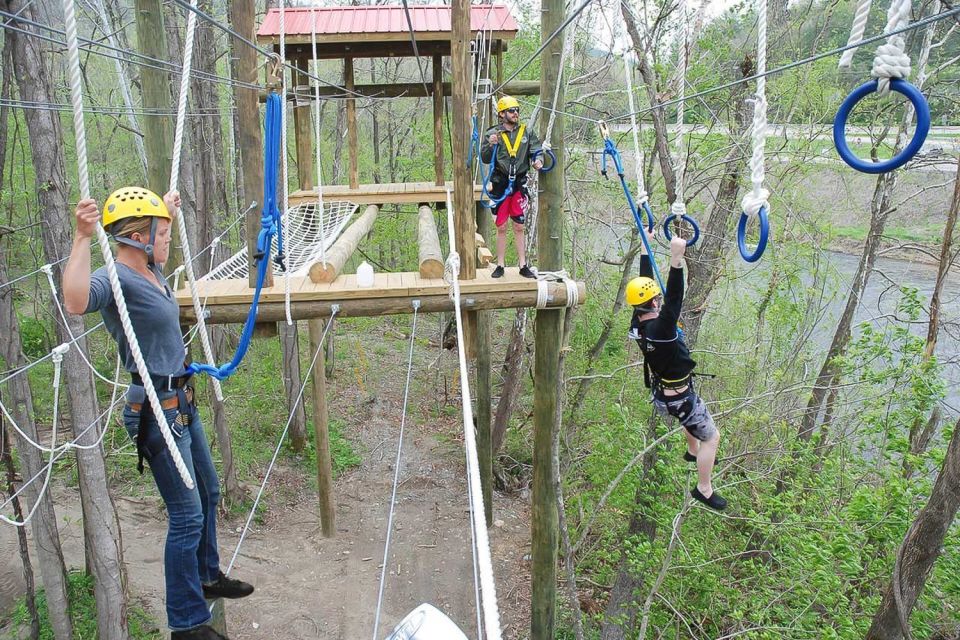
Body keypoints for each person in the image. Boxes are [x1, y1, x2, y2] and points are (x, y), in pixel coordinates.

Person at [63, 187, 253, 640]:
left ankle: (207, 575)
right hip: (155, 412)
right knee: (186, 514)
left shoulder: (150, 270)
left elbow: (154, 243)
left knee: (207, 491)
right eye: (162, 234)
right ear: (137, 236)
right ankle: (187, 623)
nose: (169, 239)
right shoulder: (116, 280)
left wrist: (162, 212)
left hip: (181, 402)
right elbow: (74, 300)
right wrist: (82, 238)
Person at [626, 233, 727, 511]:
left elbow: (645, 288)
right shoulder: (663, 328)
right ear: (656, 304)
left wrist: (647, 252)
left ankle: (693, 451)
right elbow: (675, 298)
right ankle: (704, 488)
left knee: (690, 420)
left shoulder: (639, 324)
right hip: (678, 397)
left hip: (666, 397)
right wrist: (676, 260)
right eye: (657, 299)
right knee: (712, 437)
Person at [479, 95, 543, 279]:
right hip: (500, 183)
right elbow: (484, 157)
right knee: (501, 226)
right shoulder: (493, 134)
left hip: (519, 184)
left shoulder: (526, 132)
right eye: (511, 111)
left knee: (519, 225)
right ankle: (500, 264)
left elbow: (536, 151)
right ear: (502, 114)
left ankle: (523, 265)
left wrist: (538, 160)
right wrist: (491, 145)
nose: (515, 114)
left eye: (517, 110)